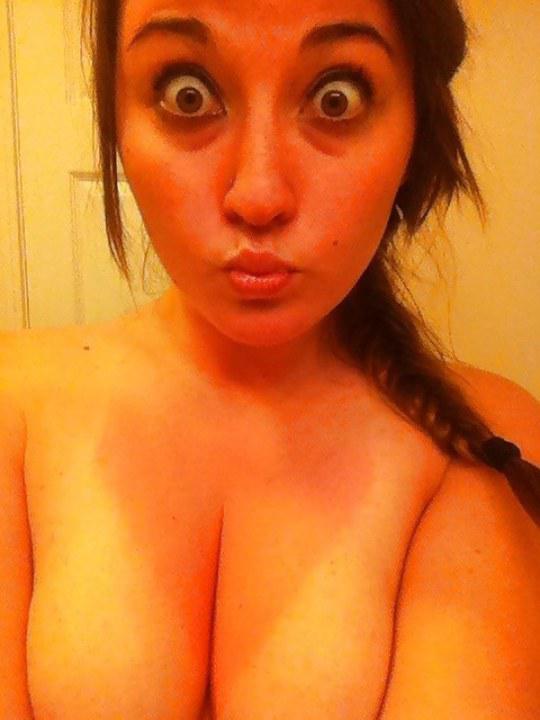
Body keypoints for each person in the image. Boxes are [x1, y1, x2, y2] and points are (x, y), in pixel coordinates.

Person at [1, 0, 539, 718]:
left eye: (337, 97)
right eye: (187, 93)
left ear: (417, 128)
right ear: (117, 118)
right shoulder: (14, 403)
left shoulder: (482, 443)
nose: (258, 196)